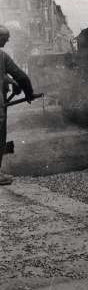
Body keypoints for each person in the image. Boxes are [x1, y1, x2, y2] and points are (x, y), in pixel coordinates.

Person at [0, 25, 34, 185]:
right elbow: (22, 77)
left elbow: (5, 76)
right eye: (5, 39)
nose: (7, 41)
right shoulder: (2, 56)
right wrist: (29, 93)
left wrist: (11, 81)